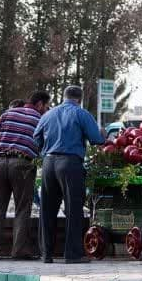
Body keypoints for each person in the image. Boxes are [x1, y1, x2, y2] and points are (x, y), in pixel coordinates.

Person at [34, 85, 105, 264]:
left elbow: (36, 137)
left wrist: (46, 149)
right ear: (79, 99)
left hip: (48, 163)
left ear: (64, 96)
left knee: (47, 209)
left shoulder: (48, 115)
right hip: (70, 164)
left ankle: (46, 254)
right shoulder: (81, 114)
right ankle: (72, 254)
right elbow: (96, 139)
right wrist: (103, 135)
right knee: (73, 209)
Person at [0, 91, 50, 261]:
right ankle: (19, 250)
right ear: (39, 104)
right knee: (22, 208)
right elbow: (44, 145)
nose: (46, 109)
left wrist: (1, 152)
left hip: (0, 162)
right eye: (46, 106)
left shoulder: (8, 113)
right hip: (23, 164)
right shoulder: (40, 119)